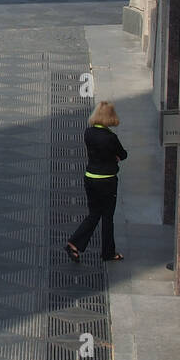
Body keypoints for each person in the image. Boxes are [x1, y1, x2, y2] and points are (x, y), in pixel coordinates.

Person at [66, 102, 128, 263]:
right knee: (107, 217)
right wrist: (115, 157)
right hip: (107, 181)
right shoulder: (111, 137)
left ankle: (74, 243)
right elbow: (123, 154)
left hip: (90, 177)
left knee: (94, 214)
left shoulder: (88, 133)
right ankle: (108, 252)